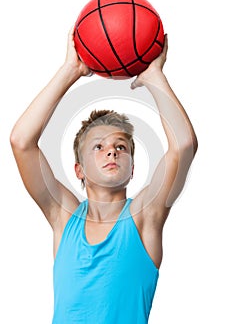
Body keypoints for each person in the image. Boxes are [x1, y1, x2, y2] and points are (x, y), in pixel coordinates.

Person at [10, 27, 198, 323]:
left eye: (120, 146)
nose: (112, 152)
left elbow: (183, 144)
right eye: (98, 146)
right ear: (79, 170)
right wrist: (70, 70)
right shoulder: (64, 218)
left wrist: (154, 78)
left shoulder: (143, 216)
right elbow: (21, 141)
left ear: (132, 169)